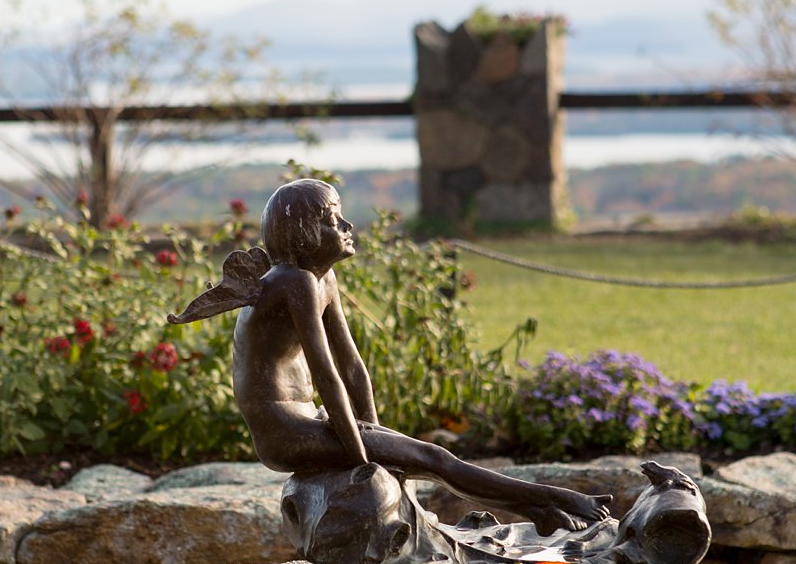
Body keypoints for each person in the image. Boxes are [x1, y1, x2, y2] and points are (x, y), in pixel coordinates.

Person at [220, 178, 609, 533]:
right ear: (303, 235)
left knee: (424, 457)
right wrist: (364, 459)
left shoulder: (323, 280)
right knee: (434, 458)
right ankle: (554, 499)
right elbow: (327, 376)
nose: (347, 226)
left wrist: (374, 431)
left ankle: (541, 509)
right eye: (331, 220)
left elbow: (353, 368)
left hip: (310, 420)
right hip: (284, 434)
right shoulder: (295, 281)